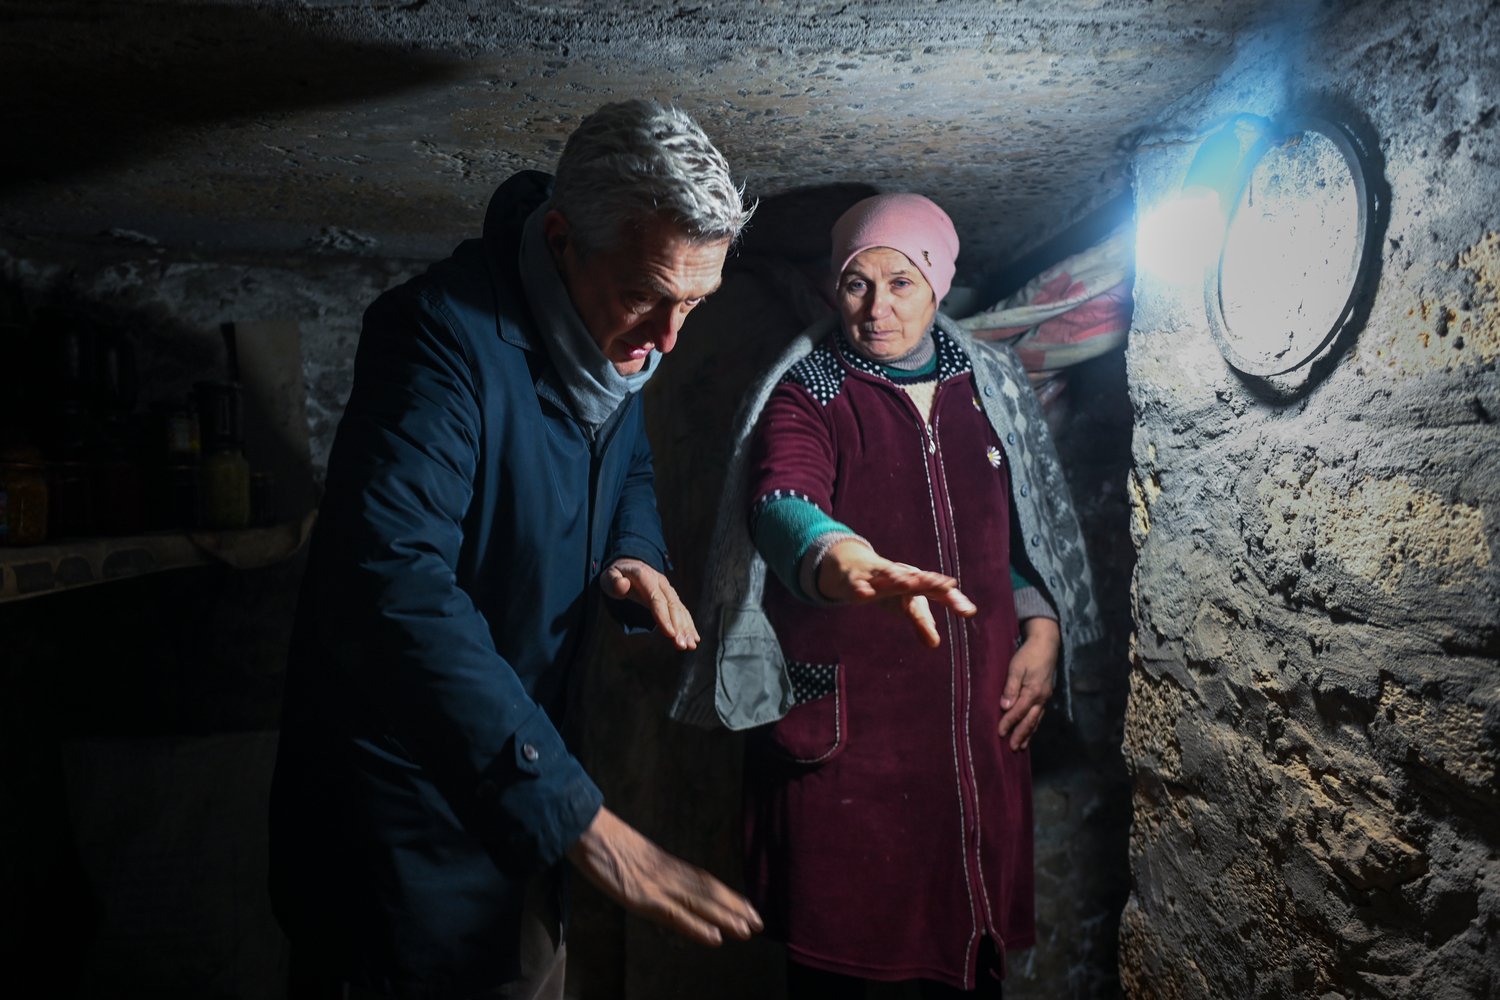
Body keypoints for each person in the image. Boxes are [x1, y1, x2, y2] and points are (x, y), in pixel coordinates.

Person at [269, 99, 762, 999]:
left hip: (523, 788)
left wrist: (633, 551)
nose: (668, 339)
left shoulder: (612, 335)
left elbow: (630, 460)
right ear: (564, 237)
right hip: (403, 824)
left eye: (695, 303)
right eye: (648, 296)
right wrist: (585, 825)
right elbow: (395, 585)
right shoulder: (435, 340)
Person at [671, 193, 1101, 997]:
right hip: (853, 753)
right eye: (856, 284)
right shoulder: (808, 391)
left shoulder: (990, 386)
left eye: (900, 283)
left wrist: (1041, 628)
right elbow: (782, 501)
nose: (876, 309)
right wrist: (840, 557)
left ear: (937, 283)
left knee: (967, 968)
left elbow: (1016, 539)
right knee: (845, 973)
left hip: (971, 746)